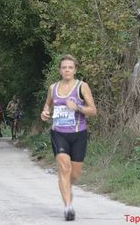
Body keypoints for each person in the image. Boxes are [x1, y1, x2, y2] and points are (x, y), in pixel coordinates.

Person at [40, 54, 97, 221]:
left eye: (70, 67)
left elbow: (93, 110)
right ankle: (68, 207)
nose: (67, 70)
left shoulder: (82, 86)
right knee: (64, 167)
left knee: (75, 173)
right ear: (59, 70)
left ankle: (66, 186)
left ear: (75, 70)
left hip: (78, 134)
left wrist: (78, 107)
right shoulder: (53, 88)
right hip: (58, 133)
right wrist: (44, 113)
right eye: (64, 67)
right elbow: (47, 105)